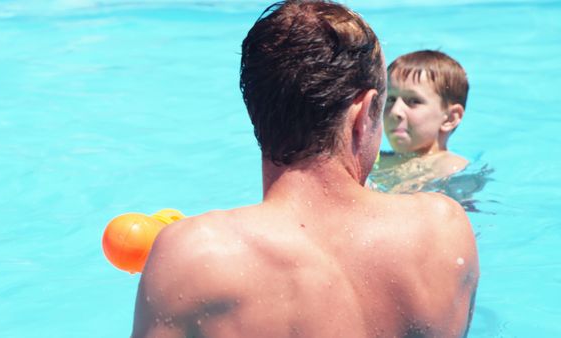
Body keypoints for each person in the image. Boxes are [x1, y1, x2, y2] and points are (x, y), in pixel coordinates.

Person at [132, 1, 479, 337]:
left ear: (255, 108)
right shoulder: (444, 230)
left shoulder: (195, 256)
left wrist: (171, 269)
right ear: (364, 114)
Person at [370, 50, 471, 193]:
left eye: (413, 101)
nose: (395, 111)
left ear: (450, 118)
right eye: (390, 99)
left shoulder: (450, 168)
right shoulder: (375, 161)